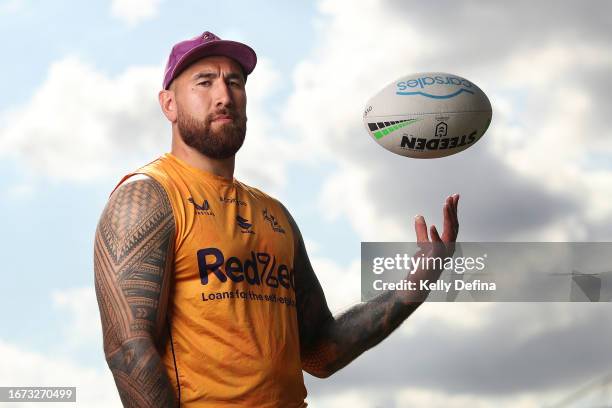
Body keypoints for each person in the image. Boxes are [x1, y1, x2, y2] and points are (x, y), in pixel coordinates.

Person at [93, 31, 459, 407]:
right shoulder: (147, 196)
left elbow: (320, 350)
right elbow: (127, 348)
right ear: (169, 104)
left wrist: (419, 280)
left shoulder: (274, 216)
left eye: (234, 82)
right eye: (204, 82)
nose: (224, 96)